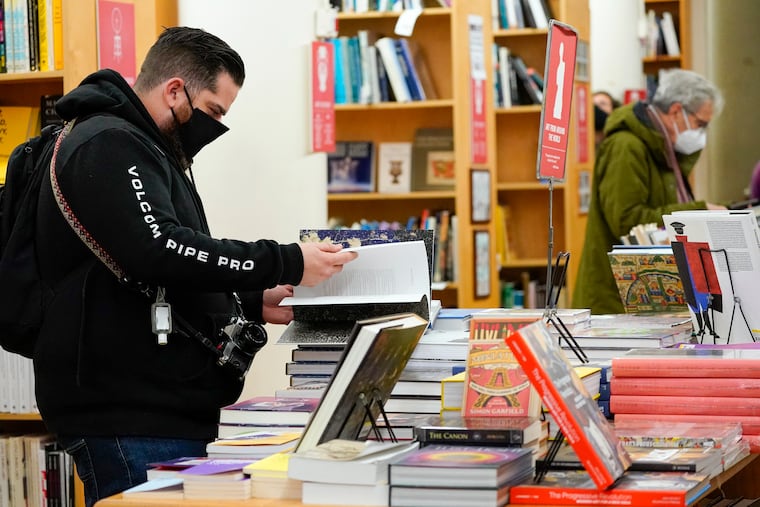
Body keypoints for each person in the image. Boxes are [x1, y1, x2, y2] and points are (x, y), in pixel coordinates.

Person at [34, 27, 357, 506]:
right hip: (128, 416)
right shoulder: (108, 143)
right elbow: (160, 248)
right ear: (174, 90)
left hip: (159, 411)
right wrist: (285, 259)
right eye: (212, 111)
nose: (215, 127)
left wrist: (249, 298)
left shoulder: (145, 146)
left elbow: (166, 268)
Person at [573, 69, 725, 314]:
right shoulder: (626, 146)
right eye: (700, 124)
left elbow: (661, 206)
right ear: (676, 111)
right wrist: (698, 212)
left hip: (644, 297)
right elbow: (627, 222)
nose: (701, 134)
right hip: (615, 302)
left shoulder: (664, 149)